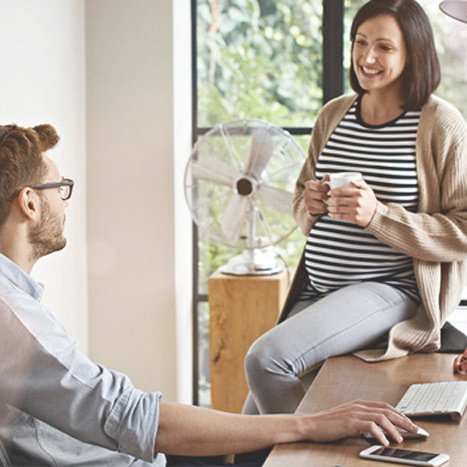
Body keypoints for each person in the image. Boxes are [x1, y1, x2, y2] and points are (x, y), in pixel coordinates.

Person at [0, 123, 419, 467]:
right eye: (60, 187)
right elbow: (133, 418)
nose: (66, 201)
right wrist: (308, 424)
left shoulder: (15, 298)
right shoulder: (12, 314)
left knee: (259, 438)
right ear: (31, 203)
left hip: (132, 454)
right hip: (131, 459)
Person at [243, 0, 467, 416]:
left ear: (412, 53)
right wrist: (309, 205)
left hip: (389, 289)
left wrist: (377, 216)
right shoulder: (334, 113)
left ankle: (320, 451)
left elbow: (464, 229)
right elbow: (300, 199)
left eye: (384, 47)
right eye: (360, 42)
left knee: (265, 361)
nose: (367, 57)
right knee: (250, 426)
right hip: (318, 290)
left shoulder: (439, 123)